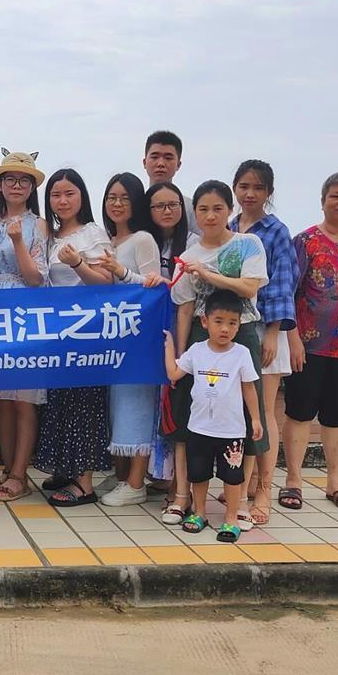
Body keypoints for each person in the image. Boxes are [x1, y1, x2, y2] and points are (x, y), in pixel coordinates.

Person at [166, 180, 269, 529]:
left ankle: (236, 504)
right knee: (190, 417)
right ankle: (185, 498)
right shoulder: (190, 254)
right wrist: (180, 352)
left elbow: (250, 287)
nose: (210, 215)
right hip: (199, 335)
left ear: (229, 210)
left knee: (245, 414)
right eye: (203, 209)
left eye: (217, 208)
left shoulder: (248, 243)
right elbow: (183, 307)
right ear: (195, 214)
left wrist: (209, 274)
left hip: (243, 335)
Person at [281, 172, 338, 515]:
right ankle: (294, 481)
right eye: (335, 195)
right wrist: (293, 339)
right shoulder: (305, 242)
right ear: (323, 200)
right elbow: (289, 293)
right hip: (309, 344)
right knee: (299, 411)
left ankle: (335, 483)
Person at [36, 168, 114, 507]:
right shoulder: (50, 235)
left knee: (84, 404)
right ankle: (66, 468)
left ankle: (85, 483)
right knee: (61, 402)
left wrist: (79, 262)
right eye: (56, 194)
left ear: (82, 196)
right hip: (57, 333)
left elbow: (106, 283)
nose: (62, 200)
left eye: (69, 193)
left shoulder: (93, 233)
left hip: (86, 332)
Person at [229, 160, 299, 525]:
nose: (250, 194)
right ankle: (239, 486)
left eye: (257, 187)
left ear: (268, 192)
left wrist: (274, 331)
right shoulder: (228, 226)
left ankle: (263, 490)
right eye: (243, 186)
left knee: (264, 412)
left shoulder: (276, 231)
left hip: (266, 331)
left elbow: (283, 284)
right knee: (240, 413)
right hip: (233, 331)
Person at [164, 289, 263, 543]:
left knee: (232, 476)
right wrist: (170, 347)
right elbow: (175, 374)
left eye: (232, 323)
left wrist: (255, 419)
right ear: (205, 321)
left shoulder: (241, 353)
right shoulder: (197, 351)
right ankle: (199, 513)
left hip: (231, 431)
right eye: (218, 321)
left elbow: (249, 388)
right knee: (198, 473)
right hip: (199, 428)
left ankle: (231, 519)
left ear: (239, 325)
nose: (225, 329)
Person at [0, 151, 46, 502]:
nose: (16, 185)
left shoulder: (39, 224)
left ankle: (20, 474)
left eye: (24, 180)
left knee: (24, 399)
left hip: (25, 310)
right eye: (9, 179)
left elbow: (36, 278)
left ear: (32, 187)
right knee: (2, 399)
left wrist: (19, 242)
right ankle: (6, 469)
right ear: (0, 185)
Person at [97, 173, 163, 507]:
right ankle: (123, 475)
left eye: (124, 197)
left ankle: (137, 481)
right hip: (113, 339)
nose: (117, 204)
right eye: (111, 197)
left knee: (136, 406)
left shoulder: (142, 239)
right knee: (118, 407)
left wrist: (120, 272)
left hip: (138, 339)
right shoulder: (107, 241)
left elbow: (154, 287)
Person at [142, 181, 199, 502]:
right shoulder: (145, 242)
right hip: (150, 332)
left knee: (180, 403)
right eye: (159, 206)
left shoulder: (193, 244)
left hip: (185, 332)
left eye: (173, 205)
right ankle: (161, 477)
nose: (166, 211)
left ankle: (183, 486)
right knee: (156, 405)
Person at [142, 131, 197, 232]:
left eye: (168, 158)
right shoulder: (135, 205)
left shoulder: (190, 208)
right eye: (154, 157)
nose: (161, 163)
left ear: (178, 165)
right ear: (144, 162)